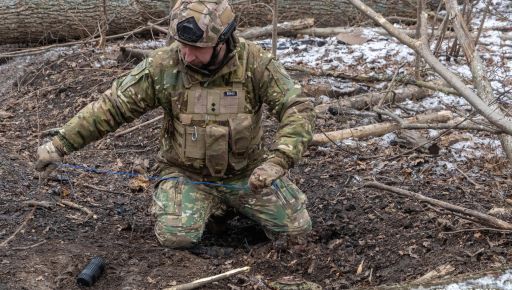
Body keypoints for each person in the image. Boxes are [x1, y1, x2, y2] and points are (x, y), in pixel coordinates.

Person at [35, 0, 315, 249]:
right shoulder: (164, 66)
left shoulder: (255, 64)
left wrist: (279, 160)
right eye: (182, 44)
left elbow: (296, 106)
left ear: (222, 42)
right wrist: (60, 145)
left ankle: (227, 206)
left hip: (246, 174)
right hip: (185, 173)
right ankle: (209, 205)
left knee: (297, 230)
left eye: (196, 47)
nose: (186, 53)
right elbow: (113, 107)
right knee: (177, 236)